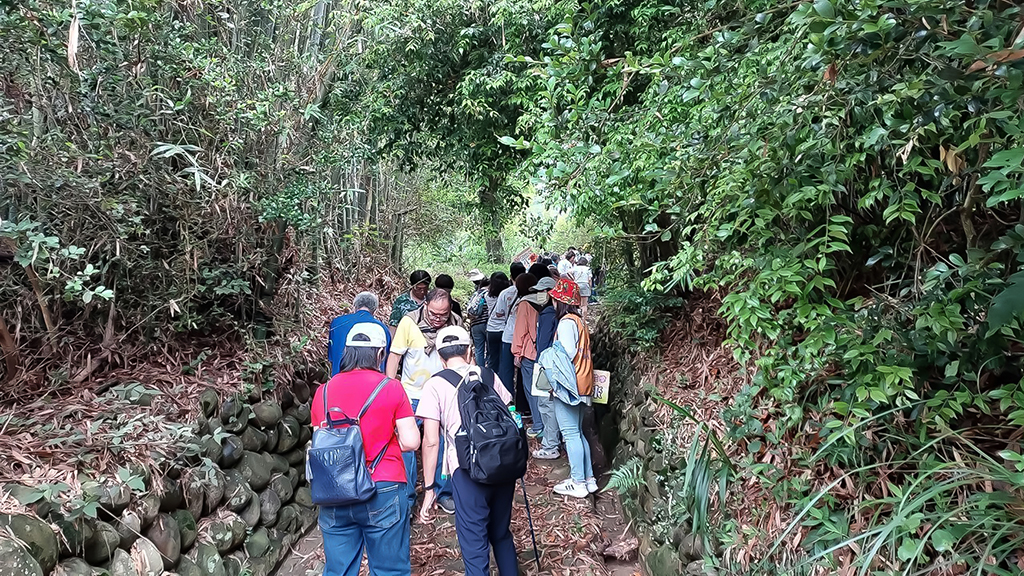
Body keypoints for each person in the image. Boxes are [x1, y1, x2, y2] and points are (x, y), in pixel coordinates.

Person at [311, 323, 421, 576]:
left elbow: (320, 440)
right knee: (388, 569)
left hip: (335, 489)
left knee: (339, 570)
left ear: (347, 352)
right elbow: (411, 441)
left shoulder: (323, 392)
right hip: (383, 485)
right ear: (380, 354)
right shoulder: (391, 387)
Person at [416, 326, 518, 576]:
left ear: (440, 358)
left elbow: (431, 441)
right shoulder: (489, 375)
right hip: (503, 462)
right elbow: (510, 413)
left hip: (466, 468)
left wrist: (430, 489)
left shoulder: (435, 385)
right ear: (470, 351)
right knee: (501, 533)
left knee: (474, 541)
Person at [387, 289, 462, 514]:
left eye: (444, 314)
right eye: (433, 313)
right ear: (425, 305)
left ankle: (443, 492)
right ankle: (408, 497)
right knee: (408, 447)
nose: (438, 319)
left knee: (445, 444)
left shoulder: (455, 324)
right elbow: (395, 355)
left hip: (445, 393)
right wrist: (390, 387)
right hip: (412, 395)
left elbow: (465, 356)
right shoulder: (409, 322)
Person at [543, 279, 596, 498]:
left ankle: (578, 482)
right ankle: (588, 478)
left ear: (560, 301)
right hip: (584, 382)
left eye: (555, 299)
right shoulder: (579, 321)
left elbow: (565, 355)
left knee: (571, 433)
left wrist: (555, 383)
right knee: (578, 432)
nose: (552, 302)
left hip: (570, 385)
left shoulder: (565, 323)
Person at [527, 276, 562, 460]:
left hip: (545, 365)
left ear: (551, 293)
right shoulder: (556, 312)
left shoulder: (548, 313)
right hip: (554, 364)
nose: (539, 295)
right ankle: (553, 441)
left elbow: (542, 343)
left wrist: (539, 363)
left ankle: (550, 446)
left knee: (546, 404)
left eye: (543, 291)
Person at [510, 273, 547, 439]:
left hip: (530, 352)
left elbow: (520, 330)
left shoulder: (525, 303)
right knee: (548, 391)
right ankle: (551, 428)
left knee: (532, 389)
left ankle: (539, 424)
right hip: (549, 352)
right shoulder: (549, 300)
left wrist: (516, 352)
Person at [328, 292, 392, 375]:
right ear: (374, 310)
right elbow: (386, 361)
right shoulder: (383, 329)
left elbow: (331, 356)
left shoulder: (337, 323)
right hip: (374, 382)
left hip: (339, 378)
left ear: (355, 306)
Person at [487, 263, 524, 394]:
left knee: (506, 367)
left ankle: (506, 396)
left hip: (507, 334)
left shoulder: (506, 293)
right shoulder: (529, 291)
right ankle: (523, 402)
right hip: (525, 335)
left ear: (511, 275)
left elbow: (499, 312)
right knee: (524, 368)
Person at [483, 271, 510, 375]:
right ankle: (502, 381)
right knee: (504, 359)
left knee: (492, 358)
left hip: (491, 330)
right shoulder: (508, 295)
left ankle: (491, 380)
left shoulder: (487, 296)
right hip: (504, 330)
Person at [466, 270, 490, 367]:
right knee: (489, 349)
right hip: (486, 324)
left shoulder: (475, 294)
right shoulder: (489, 294)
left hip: (475, 324)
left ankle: (480, 370)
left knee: (479, 350)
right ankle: (489, 371)